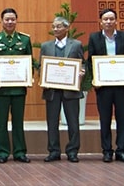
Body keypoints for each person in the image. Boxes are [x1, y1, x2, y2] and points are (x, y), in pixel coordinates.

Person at [87, 8, 124, 164]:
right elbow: (90, 61)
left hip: (122, 85)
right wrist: (94, 78)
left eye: (111, 19)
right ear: (100, 22)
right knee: (105, 119)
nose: (108, 22)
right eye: (105, 19)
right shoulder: (94, 38)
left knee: (122, 118)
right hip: (103, 86)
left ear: (116, 21)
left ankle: (122, 151)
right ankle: (107, 151)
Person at [0, 8, 32, 164]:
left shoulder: (24, 40)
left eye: (12, 19)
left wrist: (28, 76)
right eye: (7, 19)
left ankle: (20, 151)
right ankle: (2, 152)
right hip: (0, 89)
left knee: (18, 122)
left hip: (19, 89)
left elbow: (29, 62)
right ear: (1, 21)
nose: (10, 22)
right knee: (1, 121)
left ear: (16, 21)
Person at [40, 17, 85, 163]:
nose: (55, 29)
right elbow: (41, 66)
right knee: (52, 122)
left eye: (59, 27)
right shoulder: (46, 46)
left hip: (70, 90)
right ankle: (54, 151)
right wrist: (43, 77)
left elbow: (82, 64)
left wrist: (81, 72)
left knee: (73, 122)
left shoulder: (76, 45)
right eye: (53, 26)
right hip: (52, 90)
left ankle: (72, 151)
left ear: (67, 28)